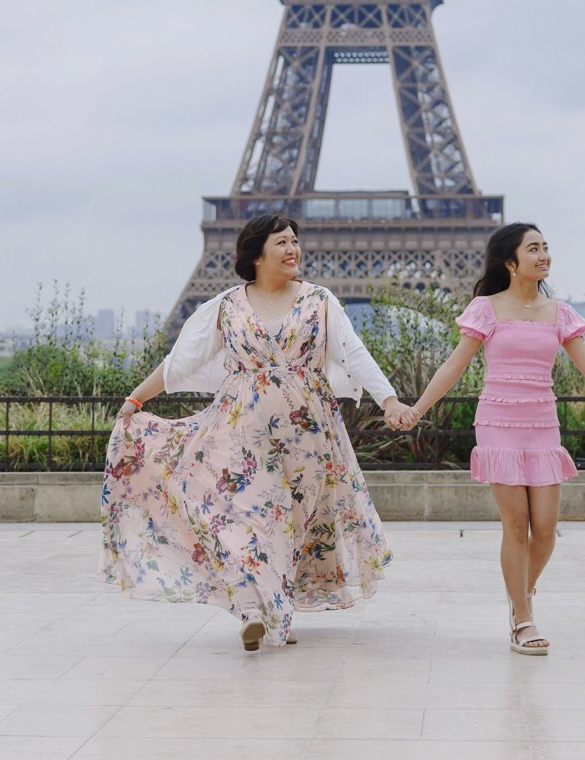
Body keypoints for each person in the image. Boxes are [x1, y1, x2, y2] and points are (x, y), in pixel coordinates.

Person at [102, 214, 403, 650]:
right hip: (239, 430)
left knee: (290, 523)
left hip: (307, 434)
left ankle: (273, 606)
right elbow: (179, 362)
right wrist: (136, 398)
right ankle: (249, 608)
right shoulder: (226, 306)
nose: (293, 249)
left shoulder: (320, 300)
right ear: (257, 253)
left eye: (295, 241)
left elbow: (353, 354)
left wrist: (389, 399)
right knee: (243, 516)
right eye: (282, 242)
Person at [388, 222, 585, 654]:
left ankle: (520, 599)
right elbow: (453, 367)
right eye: (534, 248)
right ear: (511, 262)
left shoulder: (560, 312)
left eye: (546, 247)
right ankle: (524, 619)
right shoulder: (486, 308)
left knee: (547, 531)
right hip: (497, 422)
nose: (544, 254)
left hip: (542, 423)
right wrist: (416, 410)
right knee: (516, 526)